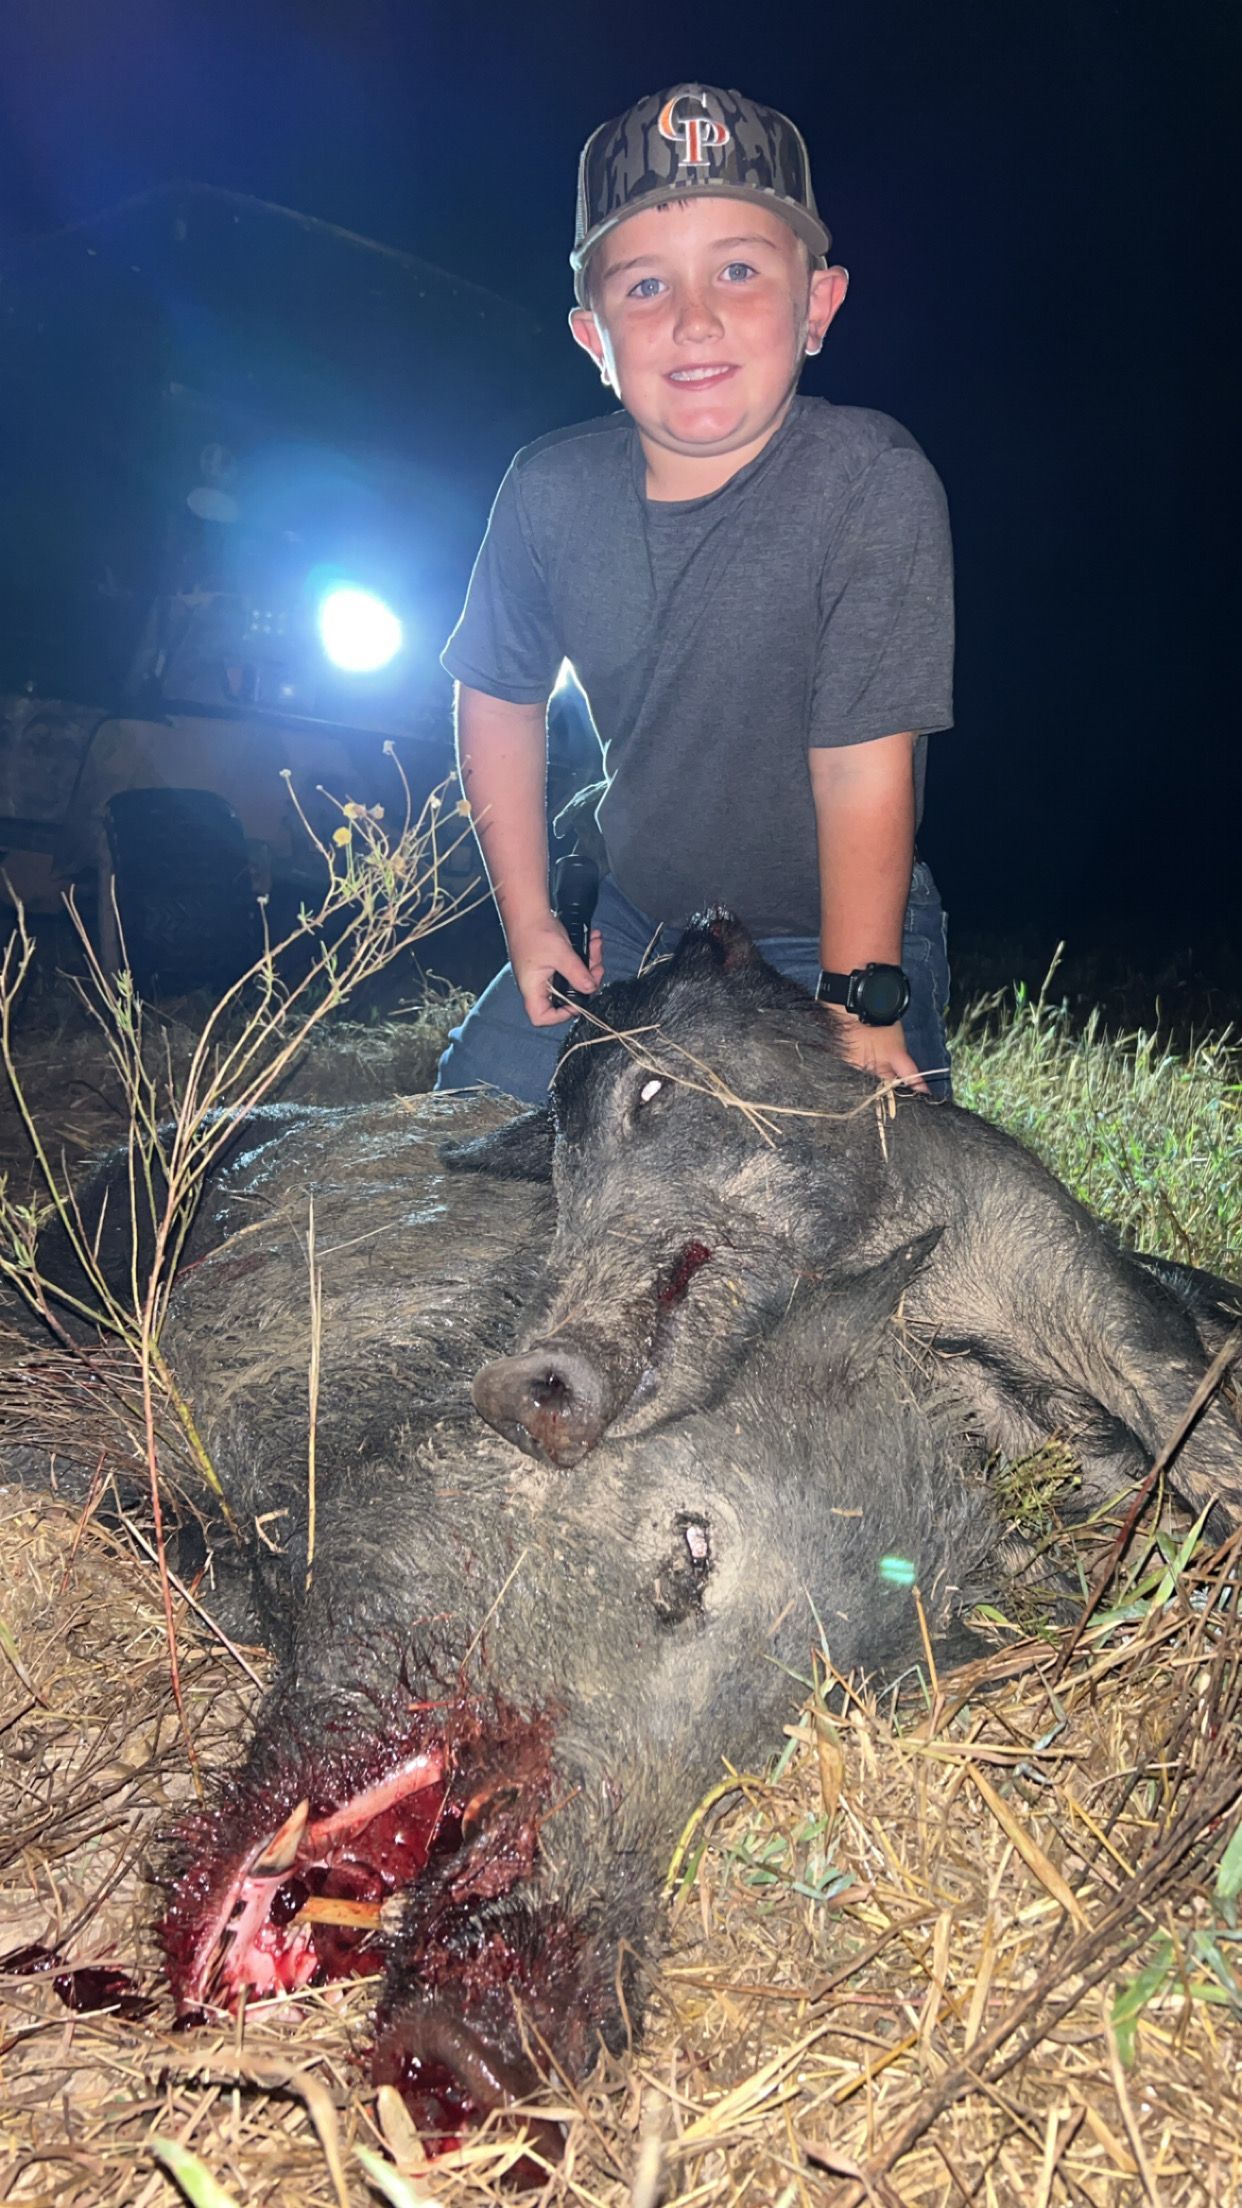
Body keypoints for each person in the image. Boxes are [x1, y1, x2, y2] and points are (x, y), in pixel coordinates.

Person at [435, 82, 954, 1102]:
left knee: (855, 1198)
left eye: (739, 270)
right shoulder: (545, 493)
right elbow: (497, 693)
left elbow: (861, 773)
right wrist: (534, 922)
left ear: (817, 305)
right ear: (594, 340)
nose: (695, 317)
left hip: (827, 933)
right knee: (466, 1130)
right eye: (644, 288)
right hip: (634, 916)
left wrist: (859, 999)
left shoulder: (872, 484)